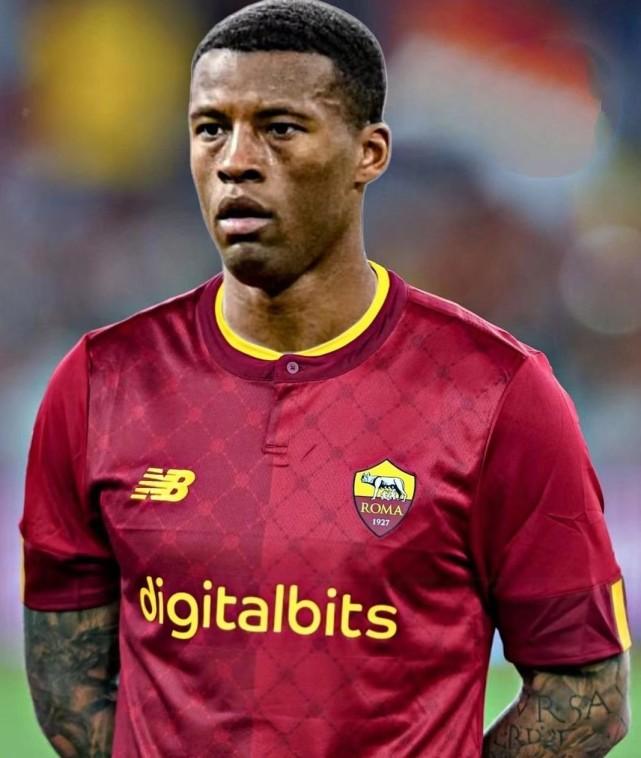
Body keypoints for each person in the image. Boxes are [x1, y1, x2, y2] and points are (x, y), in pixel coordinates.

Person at [20, 1, 631, 756]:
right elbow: (67, 684)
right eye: (210, 128)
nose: (236, 160)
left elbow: (585, 694)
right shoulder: (102, 382)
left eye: (280, 128)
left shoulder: (497, 392)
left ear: (368, 153)